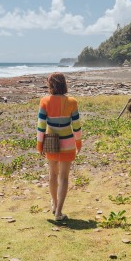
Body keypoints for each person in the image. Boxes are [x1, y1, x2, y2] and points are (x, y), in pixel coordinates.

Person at [36, 73, 82, 222]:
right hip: (68, 143)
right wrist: (79, 143)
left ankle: (54, 205)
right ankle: (59, 213)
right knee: (64, 177)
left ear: (50, 85)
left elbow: (41, 126)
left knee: (53, 175)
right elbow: (76, 126)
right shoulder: (72, 102)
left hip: (50, 142)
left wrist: (39, 145)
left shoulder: (44, 101)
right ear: (64, 84)